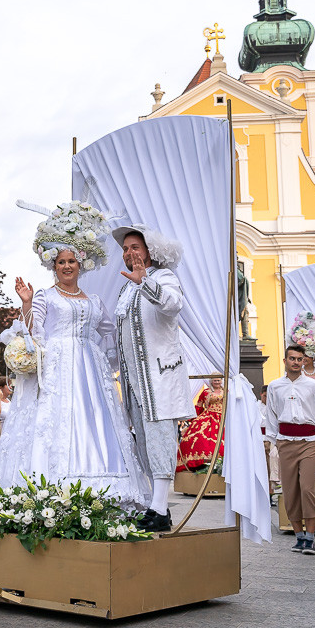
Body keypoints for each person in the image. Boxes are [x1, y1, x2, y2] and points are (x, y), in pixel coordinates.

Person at [0, 210, 148, 507]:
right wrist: (26, 304)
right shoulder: (45, 296)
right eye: (61, 262)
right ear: (54, 266)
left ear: (81, 265)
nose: (66, 266)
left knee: (95, 422)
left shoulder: (94, 302)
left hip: (91, 373)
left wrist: (112, 357)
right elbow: (32, 333)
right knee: (58, 422)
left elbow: (110, 333)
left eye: (71, 261)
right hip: (58, 371)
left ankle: (103, 488)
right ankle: (52, 489)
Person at [111, 224, 191, 531]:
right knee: (144, 441)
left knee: (159, 438)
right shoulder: (126, 288)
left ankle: (158, 509)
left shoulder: (163, 276)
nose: (129, 253)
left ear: (149, 250)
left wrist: (146, 281)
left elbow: (173, 304)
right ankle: (157, 507)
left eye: (135, 247)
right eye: (125, 249)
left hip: (159, 378)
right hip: (135, 381)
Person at [265, 345, 315, 555]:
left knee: (307, 488)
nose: (296, 362)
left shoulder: (314, 386)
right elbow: (271, 415)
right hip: (285, 442)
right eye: (292, 358)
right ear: (285, 361)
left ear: (304, 361)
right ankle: (299, 536)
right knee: (290, 489)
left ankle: (310, 537)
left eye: (299, 359)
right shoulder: (275, 386)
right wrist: (276, 440)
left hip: (308, 441)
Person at [179, 377, 225, 472]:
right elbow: (199, 406)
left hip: (223, 417)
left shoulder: (227, 392)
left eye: (218, 380)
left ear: (221, 381)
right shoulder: (205, 392)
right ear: (211, 381)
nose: (217, 382)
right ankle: (201, 463)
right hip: (208, 417)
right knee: (199, 438)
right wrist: (193, 419)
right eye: (215, 380)